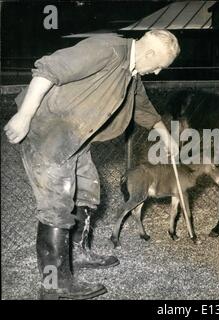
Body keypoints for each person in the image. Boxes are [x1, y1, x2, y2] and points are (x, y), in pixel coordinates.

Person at [4, 30, 180, 299]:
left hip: (77, 138)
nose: (157, 72)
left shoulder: (131, 72)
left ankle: (79, 253)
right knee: (56, 208)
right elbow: (48, 68)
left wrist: (166, 137)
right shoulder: (107, 49)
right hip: (49, 133)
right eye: (159, 66)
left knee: (88, 192)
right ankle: (54, 284)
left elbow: (142, 107)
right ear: (150, 54)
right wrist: (24, 116)